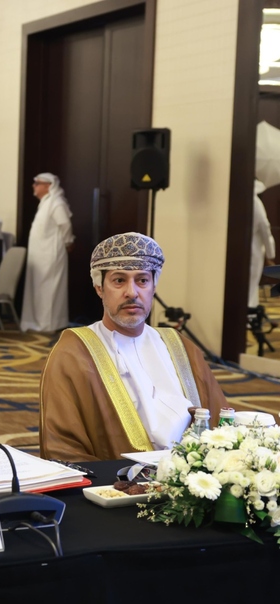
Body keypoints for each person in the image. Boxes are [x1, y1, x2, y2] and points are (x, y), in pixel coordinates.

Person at [39, 232, 229, 462]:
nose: (132, 292)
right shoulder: (74, 352)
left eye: (142, 280)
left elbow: (221, 424)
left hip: (192, 474)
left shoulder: (179, 345)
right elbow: (62, 447)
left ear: (153, 287)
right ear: (99, 288)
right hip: (118, 480)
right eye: (119, 280)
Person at [20, 173, 74, 332]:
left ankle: (51, 324)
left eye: (37, 183)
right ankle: (37, 323)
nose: (34, 186)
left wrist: (68, 242)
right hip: (40, 256)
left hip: (52, 255)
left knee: (50, 290)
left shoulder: (56, 202)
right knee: (38, 290)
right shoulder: (45, 203)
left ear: (48, 186)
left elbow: (65, 225)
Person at [251, 179, 276, 308]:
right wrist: (270, 254)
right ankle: (249, 312)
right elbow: (264, 227)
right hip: (254, 249)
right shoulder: (255, 202)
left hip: (240, 247)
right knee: (251, 283)